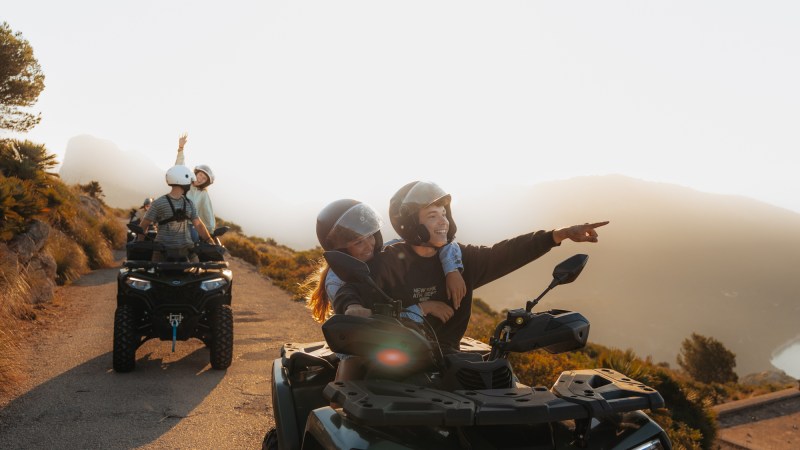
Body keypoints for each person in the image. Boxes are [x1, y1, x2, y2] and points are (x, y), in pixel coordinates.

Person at [333, 180, 609, 351]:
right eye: (432, 216)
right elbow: (353, 286)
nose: (443, 221)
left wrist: (558, 235)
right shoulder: (391, 260)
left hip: (448, 359)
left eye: (443, 214)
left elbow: (508, 252)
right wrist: (350, 307)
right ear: (410, 224)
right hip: (397, 359)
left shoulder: (463, 261)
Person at [308, 198, 466, 381]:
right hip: (368, 337)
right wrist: (424, 307)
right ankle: (337, 402)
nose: (369, 245)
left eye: (371, 235)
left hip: (400, 334)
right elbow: (365, 313)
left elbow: (440, 241)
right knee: (352, 360)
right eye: (359, 242)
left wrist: (451, 270)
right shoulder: (337, 281)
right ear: (341, 250)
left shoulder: (383, 255)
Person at [138, 165, 213, 261]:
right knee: (197, 272)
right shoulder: (189, 204)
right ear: (185, 182)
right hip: (186, 251)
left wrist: (139, 243)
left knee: (155, 272)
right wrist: (209, 240)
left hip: (161, 250)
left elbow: (144, 225)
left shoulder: (158, 203)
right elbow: (198, 225)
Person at [175, 132, 216, 239]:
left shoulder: (203, 194)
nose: (200, 179)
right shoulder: (185, 180)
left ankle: (192, 255)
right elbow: (179, 167)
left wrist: (211, 231)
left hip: (190, 225)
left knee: (194, 242)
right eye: (201, 175)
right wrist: (181, 148)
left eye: (204, 179)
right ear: (196, 173)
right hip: (172, 220)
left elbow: (208, 213)